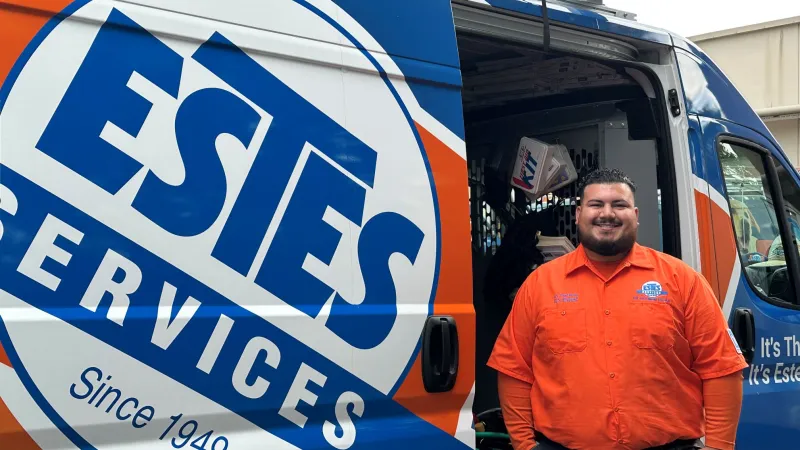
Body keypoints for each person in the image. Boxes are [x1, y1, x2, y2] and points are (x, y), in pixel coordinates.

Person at [487, 168, 747, 450]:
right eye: (596, 204)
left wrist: (719, 447)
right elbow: (514, 370)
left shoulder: (682, 280)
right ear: (578, 214)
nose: (607, 213)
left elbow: (721, 368)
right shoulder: (540, 285)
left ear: (635, 214)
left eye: (619, 205)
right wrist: (524, 445)